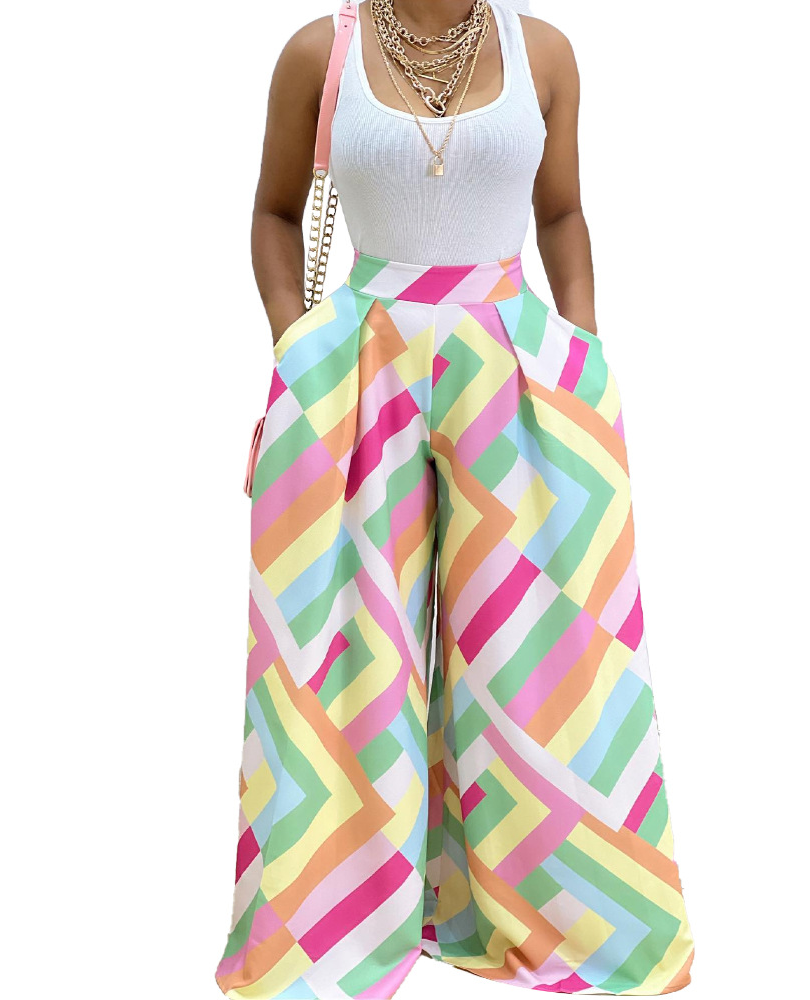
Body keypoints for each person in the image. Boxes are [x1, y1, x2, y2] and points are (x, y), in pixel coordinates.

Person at [215, 1, 695, 996]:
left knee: (543, 650)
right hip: (357, 367)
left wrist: (585, 356)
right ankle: (327, 932)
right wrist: (295, 346)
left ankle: (566, 918)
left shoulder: (543, 51)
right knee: (343, 651)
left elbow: (561, 213)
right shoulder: (321, 49)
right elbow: (272, 214)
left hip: (514, 360)